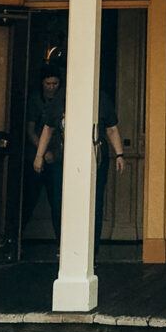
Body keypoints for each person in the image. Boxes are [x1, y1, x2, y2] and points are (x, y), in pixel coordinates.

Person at [33, 84, 125, 252]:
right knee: (60, 201)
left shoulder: (101, 98)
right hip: (65, 159)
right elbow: (48, 128)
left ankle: (91, 250)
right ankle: (65, 247)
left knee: (94, 203)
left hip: (95, 160)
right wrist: (39, 155)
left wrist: (119, 154)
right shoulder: (62, 98)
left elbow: (112, 129)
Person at [22, 66, 64, 239]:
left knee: (58, 202)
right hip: (36, 157)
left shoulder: (63, 100)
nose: (52, 87)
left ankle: (61, 243)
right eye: (48, 83)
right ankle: (18, 239)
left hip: (56, 157)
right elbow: (30, 129)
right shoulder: (35, 100)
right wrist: (42, 151)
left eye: (55, 83)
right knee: (29, 200)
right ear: (42, 83)